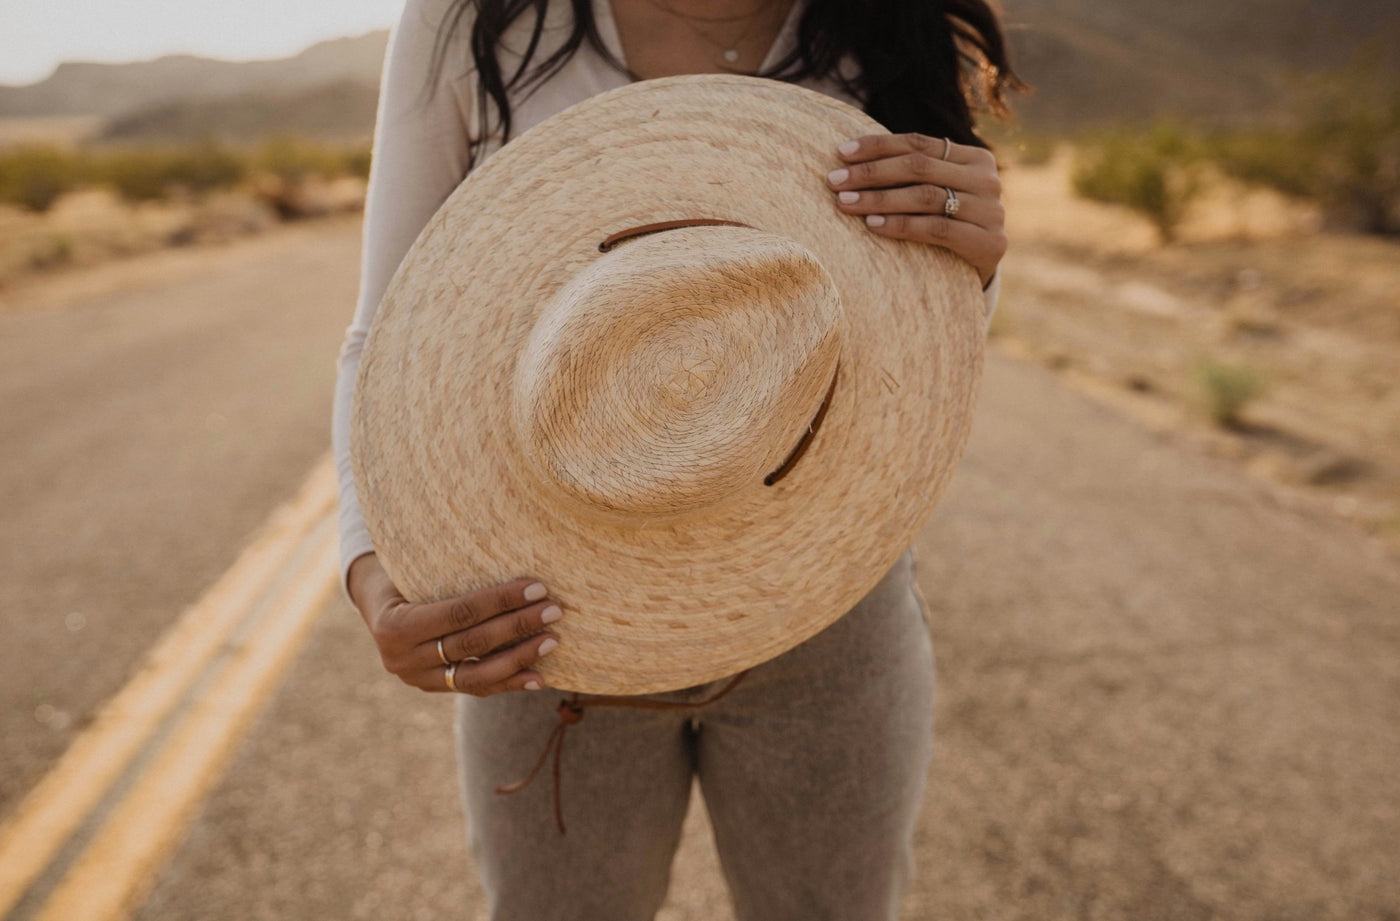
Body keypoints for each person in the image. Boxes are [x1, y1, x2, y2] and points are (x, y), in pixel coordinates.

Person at [332, 1, 1019, 917]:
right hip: (543, 620)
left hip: (832, 608)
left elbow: (921, 325)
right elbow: (383, 336)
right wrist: (371, 566)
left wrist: (977, 264)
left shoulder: (891, 20)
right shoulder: (471, 21)